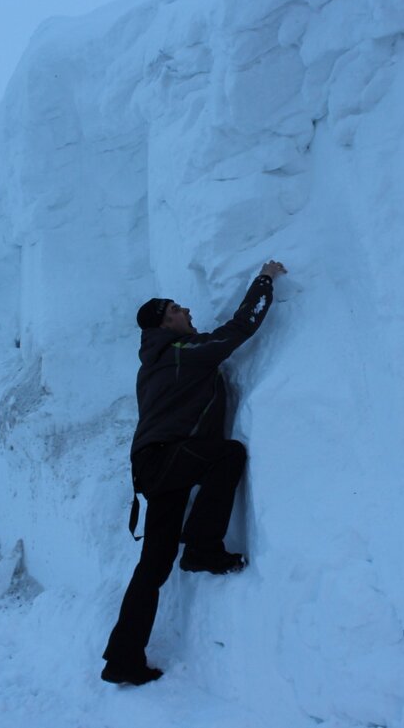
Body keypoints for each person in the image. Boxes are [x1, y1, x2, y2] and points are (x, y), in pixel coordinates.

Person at [101, 260, 288, 686]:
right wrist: (264, 281)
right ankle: (203, 546)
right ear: (164, 324)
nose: (186, 310)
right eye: (176, 310)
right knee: (228, 455)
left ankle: (122, 658)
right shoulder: (181, 354)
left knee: (153, 566)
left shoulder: (155, 362)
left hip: (157, 466)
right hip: (168, 460)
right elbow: (238, 330)